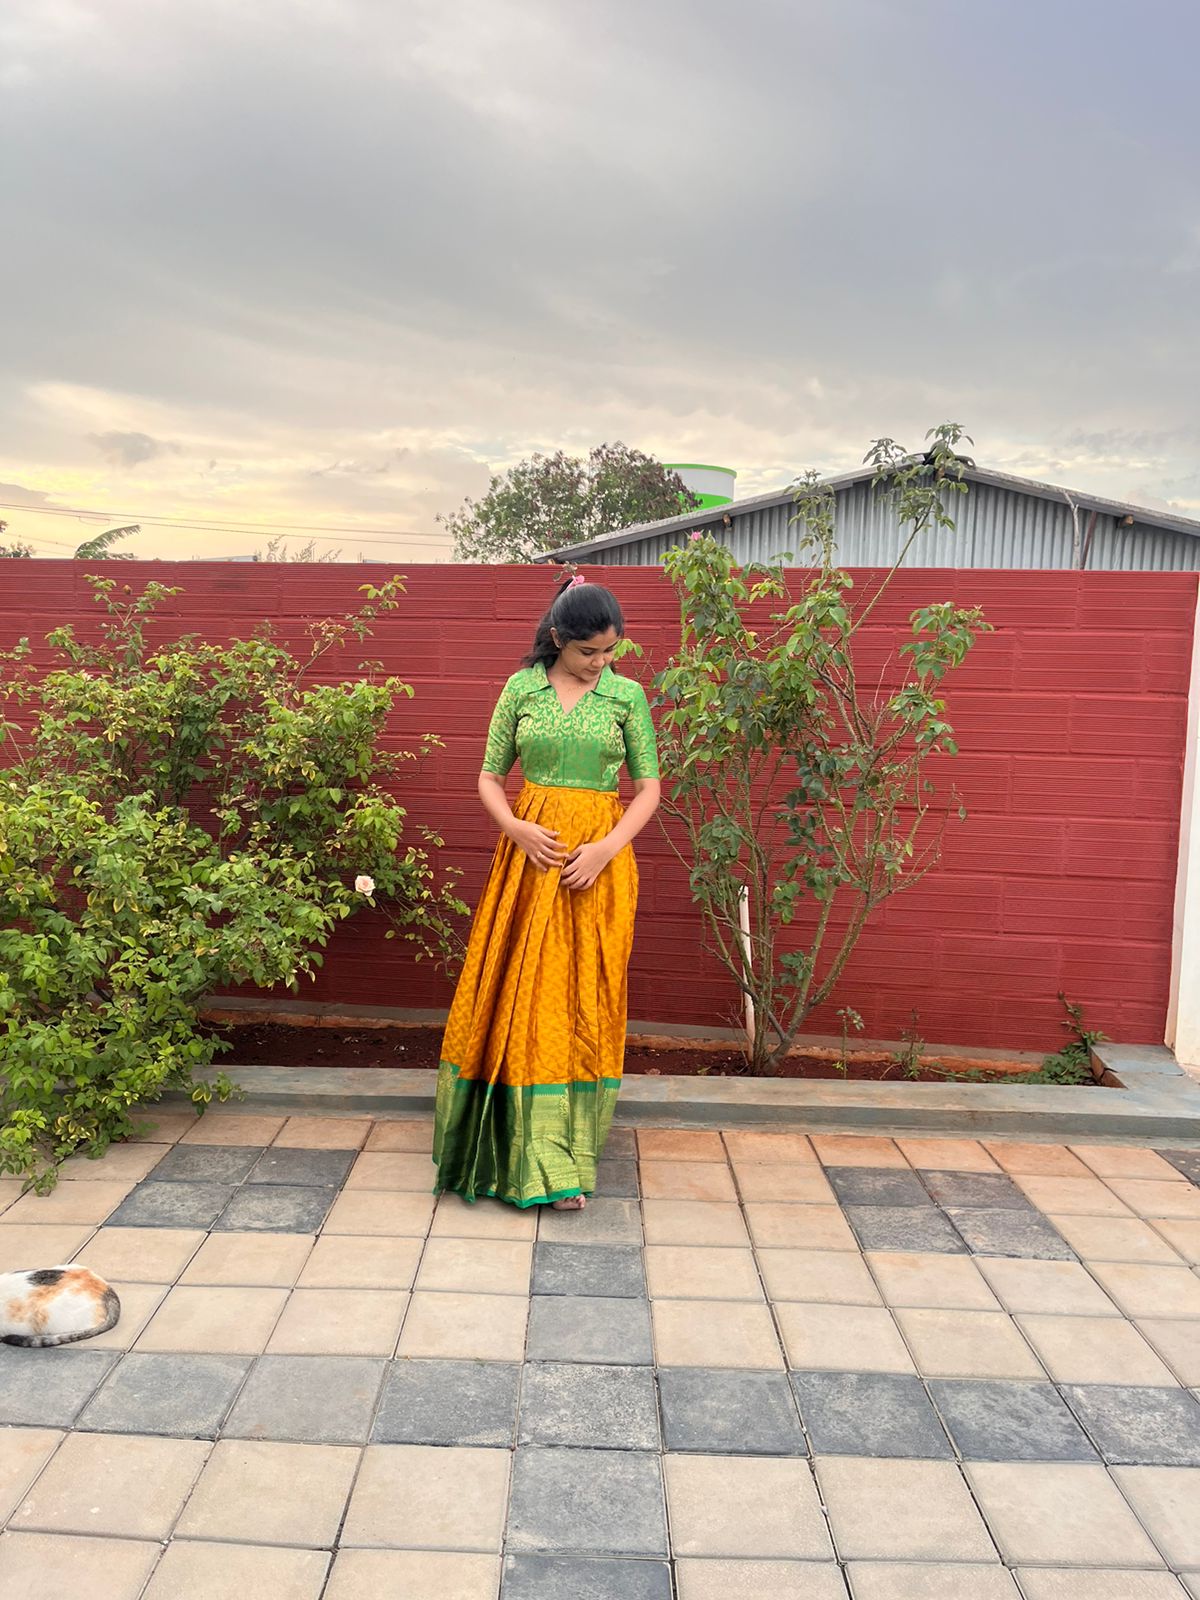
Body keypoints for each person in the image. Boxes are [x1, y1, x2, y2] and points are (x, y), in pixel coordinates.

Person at [432, 576, 661, 1210]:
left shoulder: (626, 696)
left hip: (597, 871)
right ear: (558, 639)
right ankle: (515, 1156)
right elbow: (487, 776)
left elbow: (648, 790)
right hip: (529, 866)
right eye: (589, 652)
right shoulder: (521, 688)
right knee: (521, 997)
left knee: (579, 1003)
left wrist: (605, 849)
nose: (600, 664)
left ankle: (565, 1156)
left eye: (610, 652)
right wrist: (515, 827)